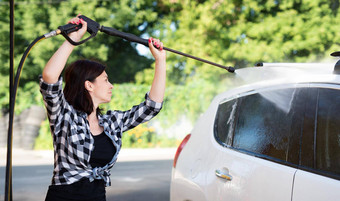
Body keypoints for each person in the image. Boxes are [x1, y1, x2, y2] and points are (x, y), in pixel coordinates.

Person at [40, 15, 166, 201]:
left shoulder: (112, 122)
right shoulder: (65, 116)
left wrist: (160, 61)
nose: (111, 85)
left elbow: (151, 107)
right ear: (88, 85)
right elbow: (50, 78)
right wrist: (73, 38)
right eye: (105, 80)